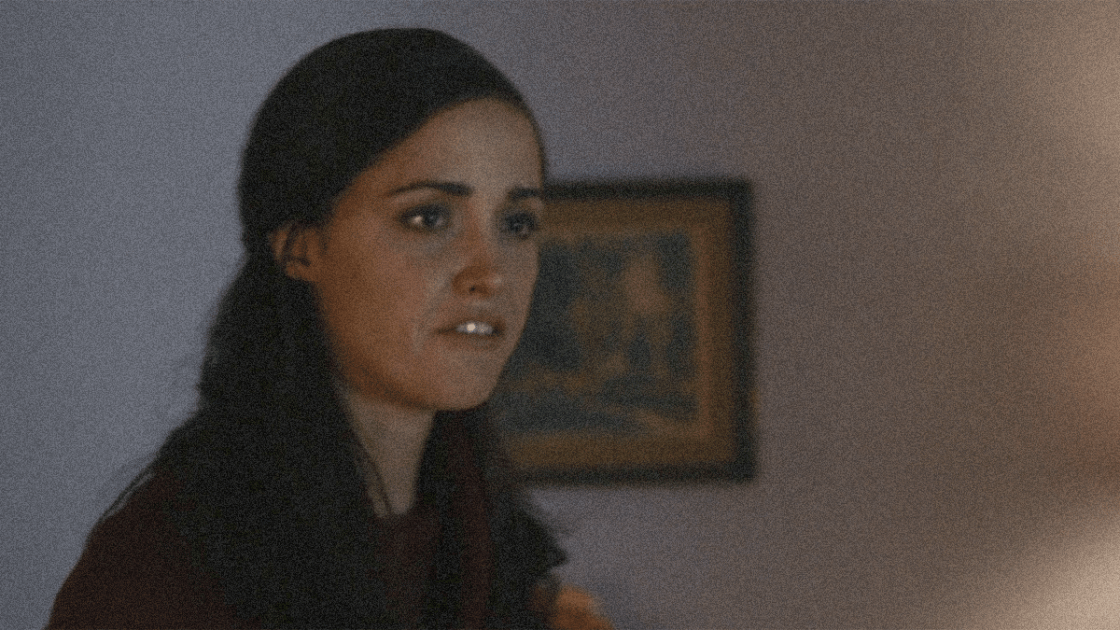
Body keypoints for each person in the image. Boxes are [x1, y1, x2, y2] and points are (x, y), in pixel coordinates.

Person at [47, 28, 612, 630]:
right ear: (301, 245)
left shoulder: (491, 554)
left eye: (518, 224)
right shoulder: (161, 574)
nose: (490, 273)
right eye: (429, 217)